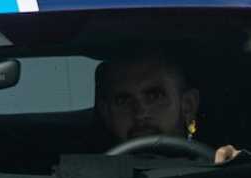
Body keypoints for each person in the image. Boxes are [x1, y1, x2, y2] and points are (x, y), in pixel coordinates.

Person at [94, 53, 242, 164]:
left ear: (188, 106)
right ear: (106, 114)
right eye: (123, 100)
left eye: (154, 96)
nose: (140, 113)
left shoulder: (220, 169)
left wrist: (238, 170)